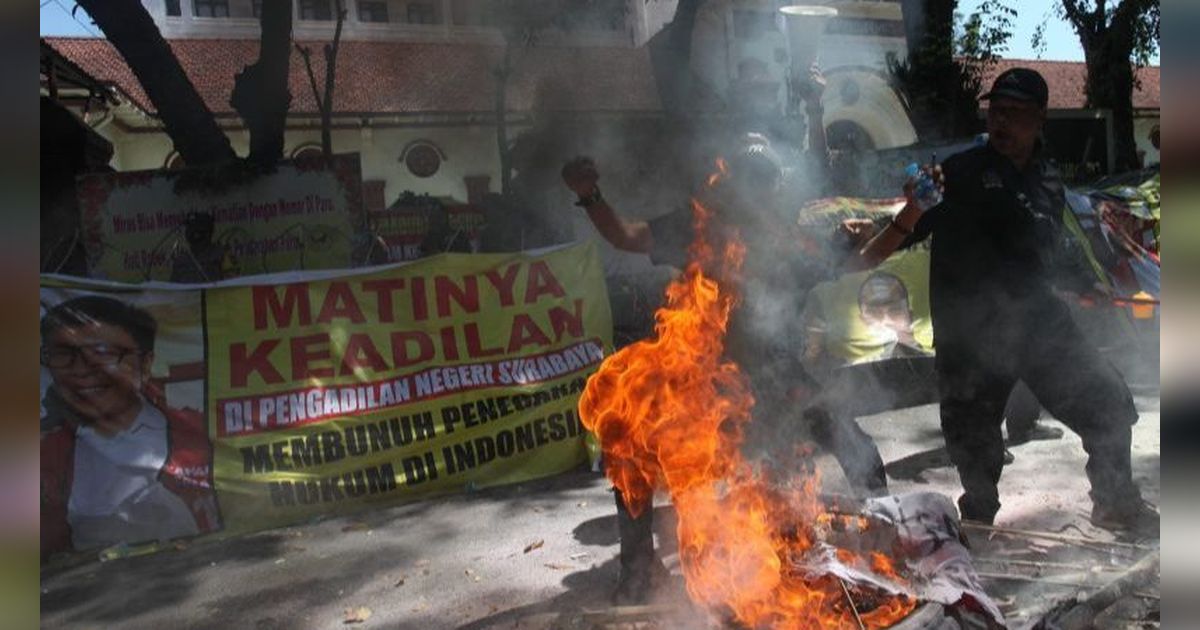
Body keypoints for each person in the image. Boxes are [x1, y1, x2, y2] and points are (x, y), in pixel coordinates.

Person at [855, 68, 1157, 532]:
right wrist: (900, 217)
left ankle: (1114, 501)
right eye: (996, 111)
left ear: (1040, 121)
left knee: (1109, 405)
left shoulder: (1048, 180)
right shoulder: (957, 174)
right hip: (971, 334)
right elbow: (898, 234)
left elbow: (1051, 247)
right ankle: (977, 516)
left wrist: (1082, 283)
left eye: (1015, 114)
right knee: (975, 444)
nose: (1002, 122)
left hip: (1039, 325)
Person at [40, 296, 219, 556]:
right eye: (63, 355)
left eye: (104, 353)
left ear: (145, 365)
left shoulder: (197, 434)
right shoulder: (48, 452)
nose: (81, 370)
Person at [170, 212, 238, 282]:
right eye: (189, 228)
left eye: (196, 228)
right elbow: (172, 288)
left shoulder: (222, 254)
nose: (192, 232)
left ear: (208, 232)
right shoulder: (181, 259)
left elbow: (233, 283)